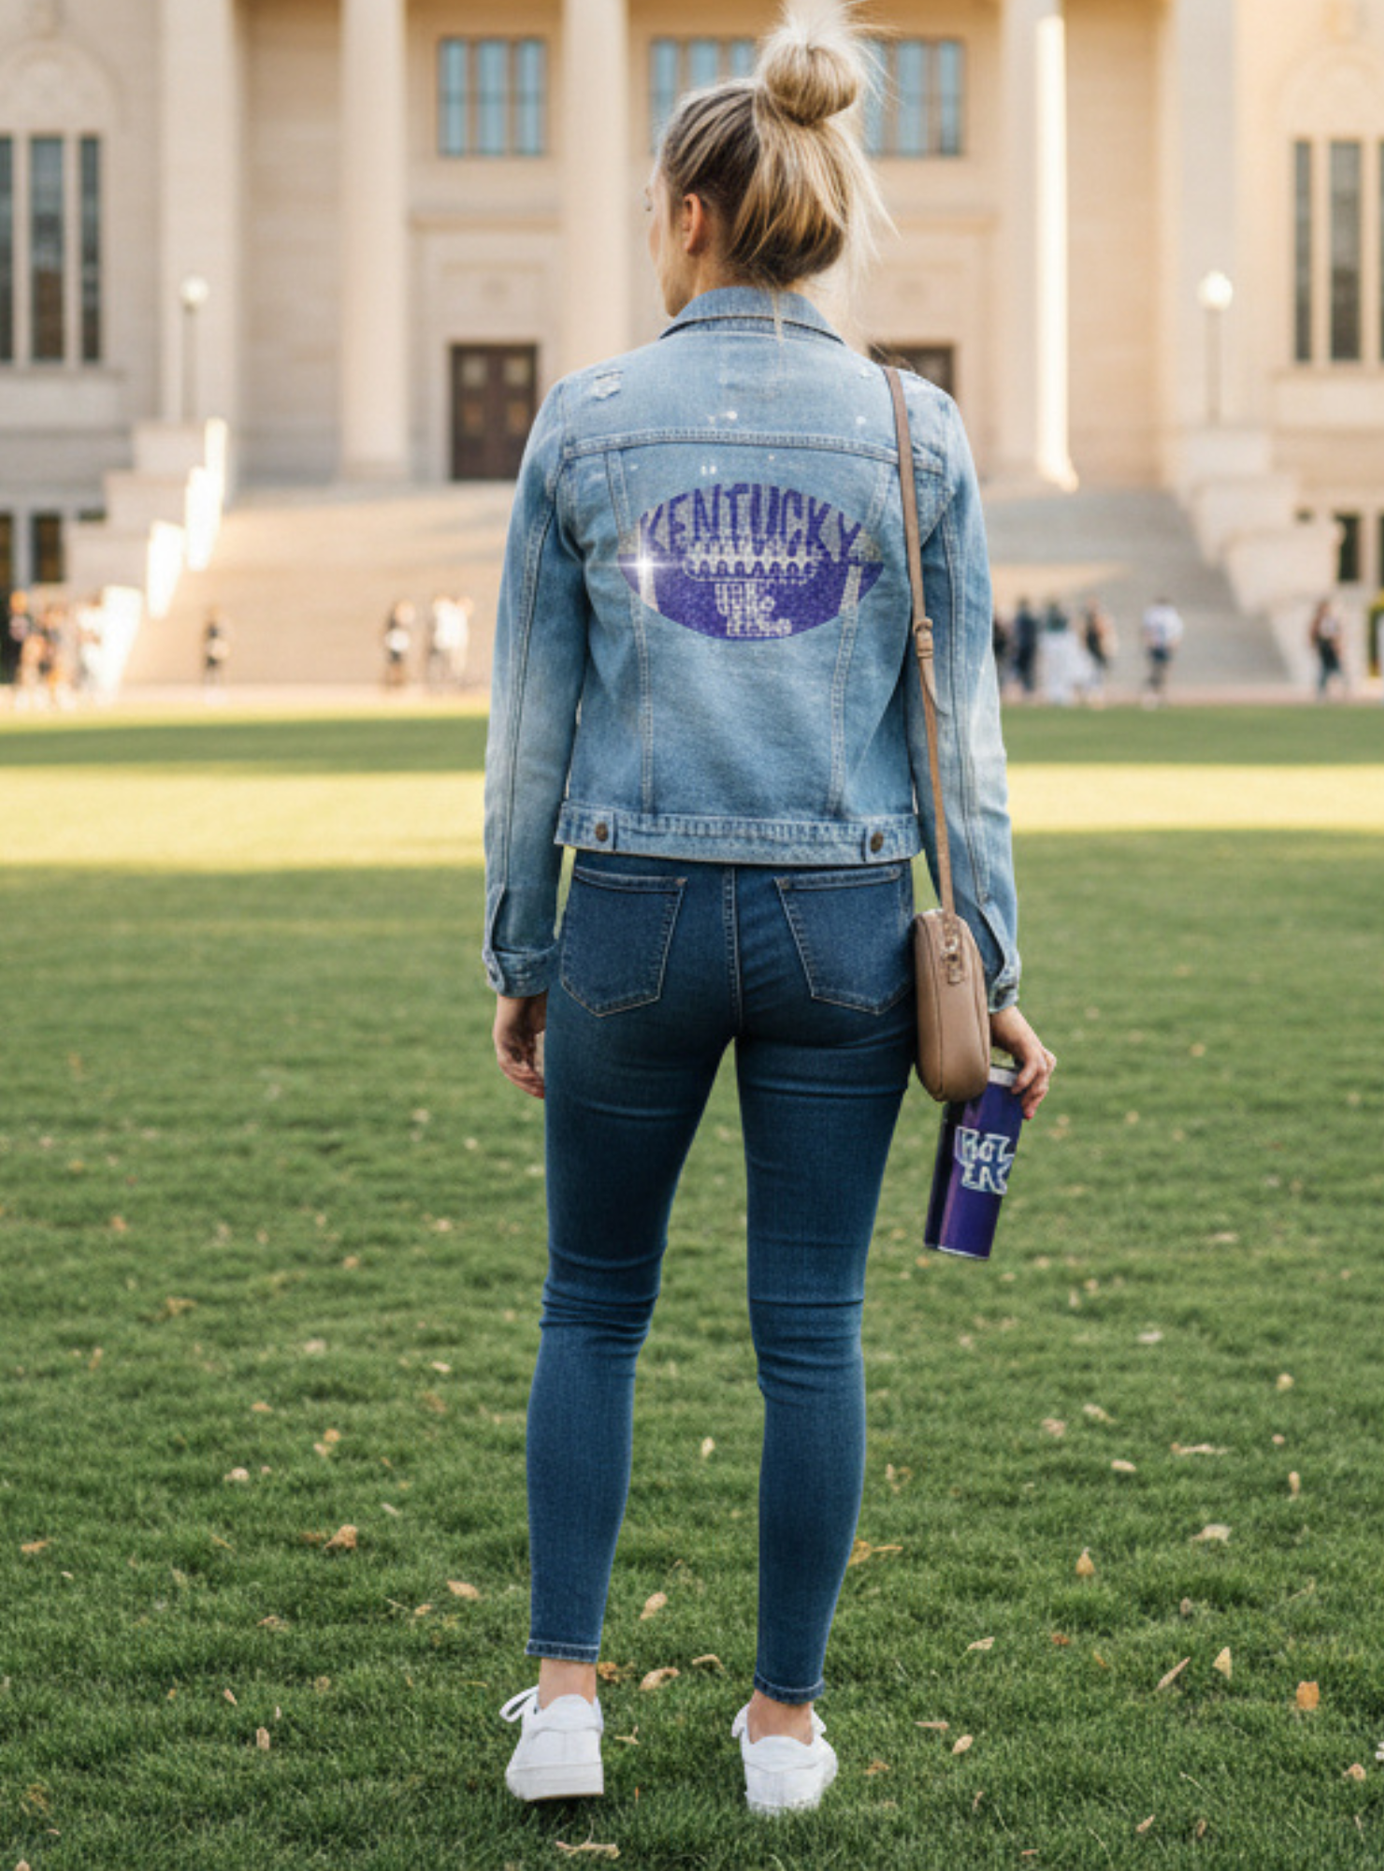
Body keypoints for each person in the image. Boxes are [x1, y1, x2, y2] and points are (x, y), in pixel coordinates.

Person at [482, 1, 1054, 1820]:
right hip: (845, 925)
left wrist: (522, 950)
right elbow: (960, 736)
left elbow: (530, 733)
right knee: (812, 1327)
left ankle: (565, 1700)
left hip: (631, 917)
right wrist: (994, 963)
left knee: (592, 1306)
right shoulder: (912, 425)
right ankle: (784, 1729)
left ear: (691, 217)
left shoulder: (586, 419)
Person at [1140, 595, 1184, 705]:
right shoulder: (1156, 614)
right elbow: (1146, 630)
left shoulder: (1156, 614)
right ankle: (1154, 693)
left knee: (1162, 671)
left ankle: (1160, 694)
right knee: (1158, 671)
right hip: (1159, 645)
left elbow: (1176, 631)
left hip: (1163, 645)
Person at [1308, 598, 1346, 700]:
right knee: (1324, 671)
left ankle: (1342, 690)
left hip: (1331, 647)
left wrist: (1338, 646)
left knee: (1337, 669)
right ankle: (1321, 692)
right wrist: (1314, 647)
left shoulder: (1331, 621)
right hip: (1324, 647)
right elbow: (1313, 635)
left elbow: (1337, 634)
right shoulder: (1317, 622)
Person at [1080, 599, 1116, 706]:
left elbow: (1104, 632)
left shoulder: (1100, 619)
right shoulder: (1087, 619)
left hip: (1098, 650)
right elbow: (1083, 634)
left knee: (1098, 674)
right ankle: (1090, 695)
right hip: (1091, 650)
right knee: (1091, 673)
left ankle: (1097, 695)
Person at [381, 600, 415, 690]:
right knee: (392, 665)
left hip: (400, 644)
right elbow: (387, 631)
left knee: (400, 665)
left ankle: (399, 683)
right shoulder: (392, 620)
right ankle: (389, 683)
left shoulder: (404, 621)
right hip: (394, 644)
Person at [1010, 596, 1039, 697]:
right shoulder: (1028, 619)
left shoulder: (1021, 619)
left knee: (1024, 669)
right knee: (1025, 670)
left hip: (1023, 647)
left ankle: (1025, 690)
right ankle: (1025, 690)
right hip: (1026, 647)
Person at [201, 609, 231, 690]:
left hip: (217, 649)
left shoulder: (220, 626)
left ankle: (218, 684)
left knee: (217, 667)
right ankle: (207, 685)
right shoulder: (209, 626)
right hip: (210, 648)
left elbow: (224, 637)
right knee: (209, 668)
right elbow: (204, 636)